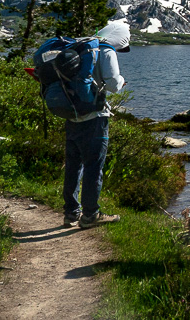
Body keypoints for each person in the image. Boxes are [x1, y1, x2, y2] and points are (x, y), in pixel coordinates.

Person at [63, 20, 130, 229]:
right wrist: (122, 81)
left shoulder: (82, 47)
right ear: (119, 37)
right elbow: (112, 83)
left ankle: (71, 213)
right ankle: (90, 215)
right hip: (95, 118)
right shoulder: (107, 50)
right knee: (93, 167)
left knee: (73, 166)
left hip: (72, 115)